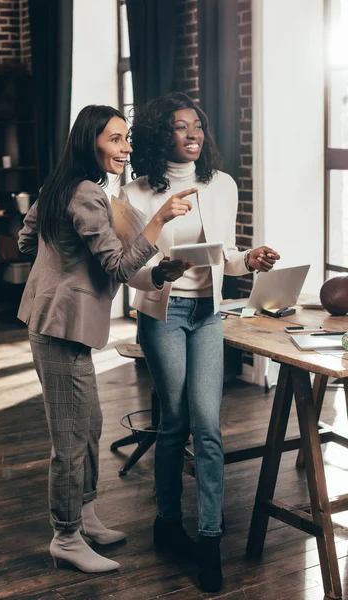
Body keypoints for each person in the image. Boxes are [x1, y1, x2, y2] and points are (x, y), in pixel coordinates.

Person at [17, 104, 196, 574]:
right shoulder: (87, 195)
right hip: (61, 327)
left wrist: (59, 262)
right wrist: (157, 221)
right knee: (71, 438)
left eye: (126, 139)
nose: (126, 148)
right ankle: (66, 536)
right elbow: (117, 266)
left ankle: (86, 515)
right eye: (116, 140)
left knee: (89, 424)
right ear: (90, 142)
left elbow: (25, 238)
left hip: (55, 321)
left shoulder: (63, 186)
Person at [120, 92, 280, 593]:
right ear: (158, 135)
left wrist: (247, 261)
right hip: (162, 315)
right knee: (175, 423)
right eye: (179, 127)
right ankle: (168, 522)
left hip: (208, 315)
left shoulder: (222, 185)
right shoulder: (135, 194)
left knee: (208, 426)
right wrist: (161, 271)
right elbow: (131, 272)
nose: (192, 135)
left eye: (198, 126)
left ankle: (208, 539)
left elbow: (225, 255)